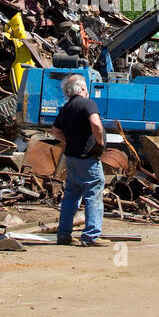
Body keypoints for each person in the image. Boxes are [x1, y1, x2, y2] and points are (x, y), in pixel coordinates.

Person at [50, 73, 107, 246]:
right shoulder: (88, 103)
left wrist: (70, 140)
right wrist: (100, 142)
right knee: (93, 194)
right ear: (83, 88)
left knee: (70, 197)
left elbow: (55, 130)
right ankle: (90, 236)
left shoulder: (66, 108)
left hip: (72, 158)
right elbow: (96, 124)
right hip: (88, 158)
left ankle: (64, 235)